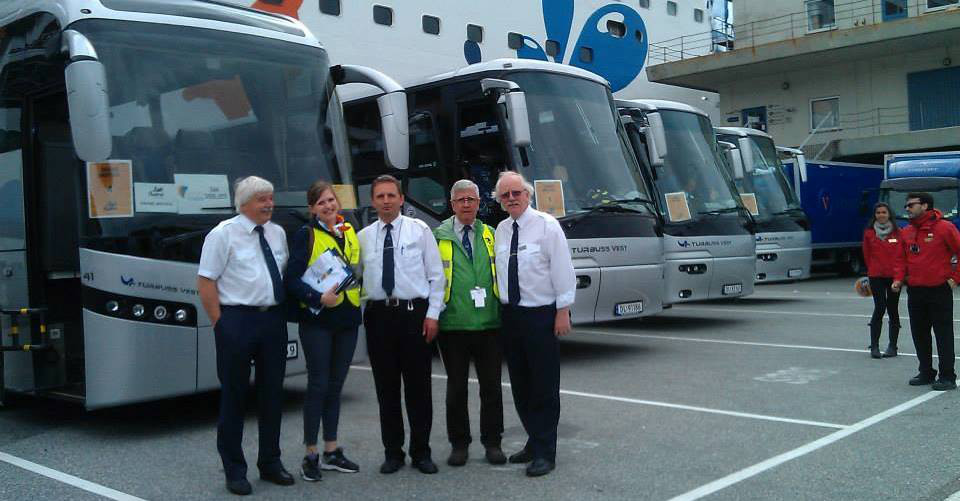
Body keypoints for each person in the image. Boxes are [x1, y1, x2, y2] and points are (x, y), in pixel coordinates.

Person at [197, 176, 294, 496]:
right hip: (236, 321)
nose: (269, 204)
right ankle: (235, 470)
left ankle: (270, 463)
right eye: (262, 200)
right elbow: (206, 282)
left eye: (270, 198)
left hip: (272, 321)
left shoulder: (277, 233)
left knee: (272, 396)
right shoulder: (222, 235)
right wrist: (220, 324)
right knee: (235, 397)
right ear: (244, 204)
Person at [357, 174, 445, 474]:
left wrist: (433, 314)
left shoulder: (419, 230)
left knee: (419, 388)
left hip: (413, 316)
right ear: (372, 201)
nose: (386, 201)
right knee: (387, 389)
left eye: (391, 195)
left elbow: (436, 276)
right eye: (380, 196)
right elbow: (353, 279)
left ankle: (421, 452)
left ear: (401, 198)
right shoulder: (363, 236)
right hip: (379, 318)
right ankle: (392, 452)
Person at [493, 171, 576, 477]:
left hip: (541, 314)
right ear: (500, 201)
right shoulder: (501, 230)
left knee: (543, 386)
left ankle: (546, 452)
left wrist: (562, 310)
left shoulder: (546, 225)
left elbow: (562, 269)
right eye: (505, 195)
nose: (512, 198)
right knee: (521, 384)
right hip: (511, 316)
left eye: (517, 193)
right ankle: (532, 440)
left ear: (528, 194)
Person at [284, 180, 361, 482]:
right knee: (317, 386)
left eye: (331, 200)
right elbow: (291, 280)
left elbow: (356, 270)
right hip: (318, 321)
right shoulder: (306, 235)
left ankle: (332, 450)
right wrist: (318, 298)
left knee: (336, 386)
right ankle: (311, 454)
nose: (328, 206)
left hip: (347, 320)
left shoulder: (349, 231)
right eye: (321, 203)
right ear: (312, 209)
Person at [433, 179, 506, 467]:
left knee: (492, 388)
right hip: (453, 325)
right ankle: (459, 444)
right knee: (456, 389)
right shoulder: (438, 236)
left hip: (489, 324)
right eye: (461, 200)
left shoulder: (491, 234)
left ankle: (493, 443)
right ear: (452, 204)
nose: (466, 204)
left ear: (479, 203)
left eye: (471, 200)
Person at [892, 192, 960, 390]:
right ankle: (926, 371)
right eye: (906, 206)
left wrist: (955, 279)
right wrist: (898, 279)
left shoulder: (945, 228)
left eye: (911, 205)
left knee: (943, 334)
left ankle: (947, 375)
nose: (907, 209)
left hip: (939, 289)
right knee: (919, 333)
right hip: (916, 290)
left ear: (925, 206)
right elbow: (900, 259)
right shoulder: (906, 231)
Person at [861, 202, 905, 358]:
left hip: (894, 277)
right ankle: (874, 346)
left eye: (884, 212)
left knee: (893, 309)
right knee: (879, 307)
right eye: (878, 212)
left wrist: (899, 278)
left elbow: (902, 257)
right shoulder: (869, 233)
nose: (881, 215)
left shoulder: (899, 233)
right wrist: (872, 269)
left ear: (889, 214)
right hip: (876, 276)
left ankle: (892, 347)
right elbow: (866, 255)